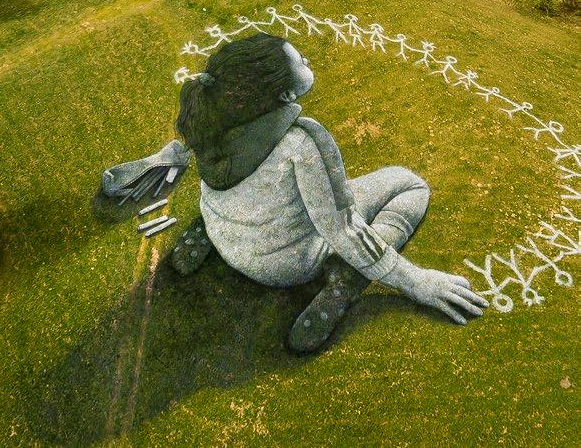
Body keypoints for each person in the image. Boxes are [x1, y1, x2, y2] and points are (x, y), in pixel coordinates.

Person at [174, 31, 487, 353]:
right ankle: (349, 279)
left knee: (258, 196)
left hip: (226, 239)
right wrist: (417, 282)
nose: (307, 58)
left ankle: (206, 230)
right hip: (284, 264)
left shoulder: (209, 118)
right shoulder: (302, 141)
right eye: (300, 60)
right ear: (285, 94)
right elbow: (343, 230)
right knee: (409, 183)